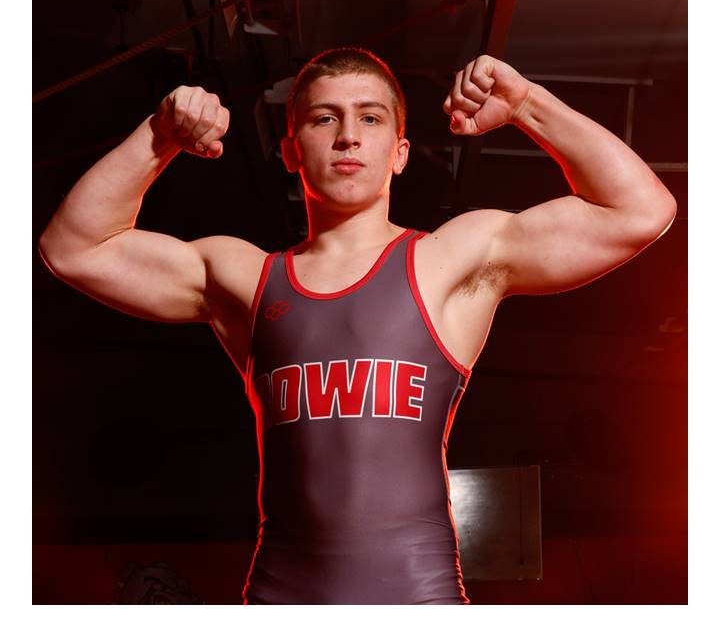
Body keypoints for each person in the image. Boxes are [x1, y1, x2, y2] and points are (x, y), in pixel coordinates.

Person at [38, 48, 677, 605]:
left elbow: (639, 210)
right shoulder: (243, 276)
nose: (348, 136)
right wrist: (160, 136)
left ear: (400, 152)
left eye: (370, 118)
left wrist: (528, 104)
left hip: (419, 606)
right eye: (325, 118)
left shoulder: (452, 258)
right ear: (291, 150)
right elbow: (72, 249)